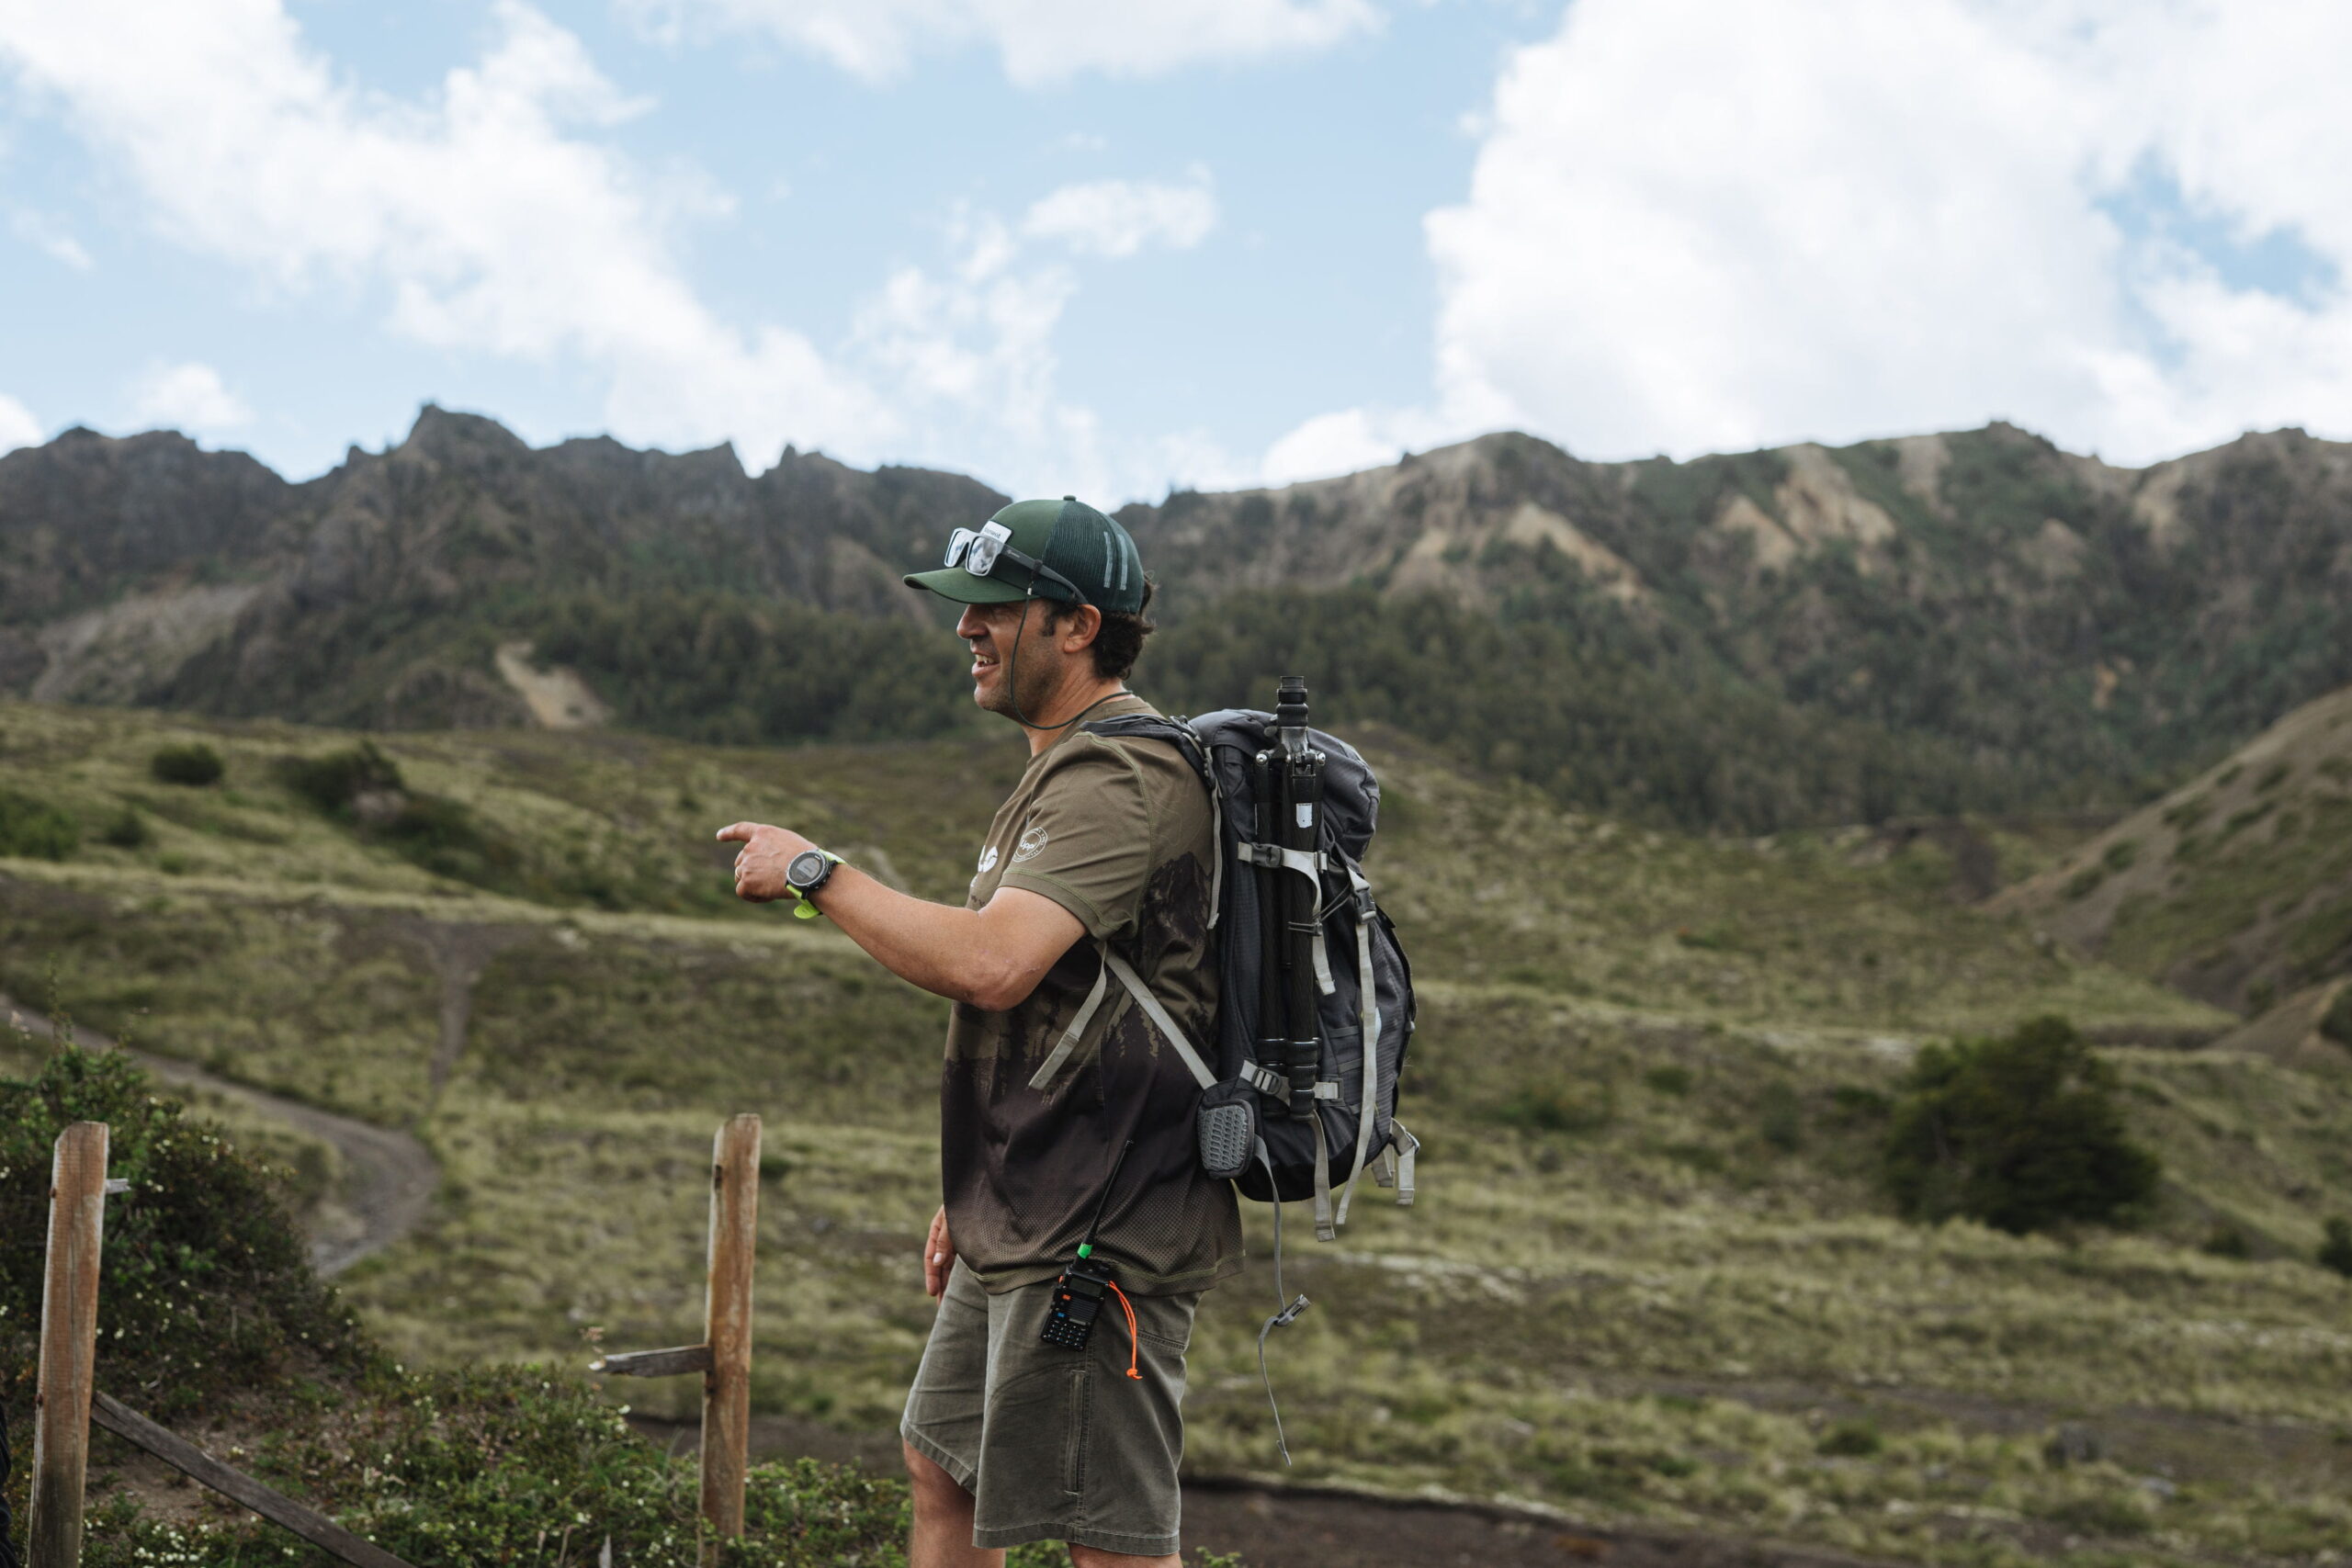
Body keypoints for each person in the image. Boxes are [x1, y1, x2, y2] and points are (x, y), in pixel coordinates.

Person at [718, 496, 1237, 1568]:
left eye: (996, 606)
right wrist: (972, 1186)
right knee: (941, 1465)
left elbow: (994, 966)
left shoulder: (1119, 777)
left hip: (1103, 1222)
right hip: (1027, 1201)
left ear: (1077, 625)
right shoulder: (1062, 770)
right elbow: (1062, 1003)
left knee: (1112, 1540)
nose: (966, 628)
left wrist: (817, 873)